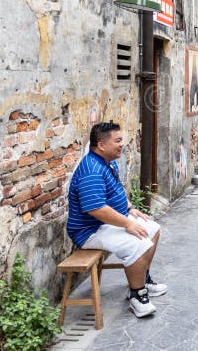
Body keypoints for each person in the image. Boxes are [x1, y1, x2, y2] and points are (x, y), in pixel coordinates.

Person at [66, 122, 167, 319]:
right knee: (139, 242)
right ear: (101, 144)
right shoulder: (91, 170)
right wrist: (128, 223)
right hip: (90, 230)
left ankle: (142, 280)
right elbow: (96, 209)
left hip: (106, 224)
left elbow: (115, 191)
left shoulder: (107, 161)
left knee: (152, 229)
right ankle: (137, 296)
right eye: (118, 141)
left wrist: (130, 209)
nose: (122, 144)